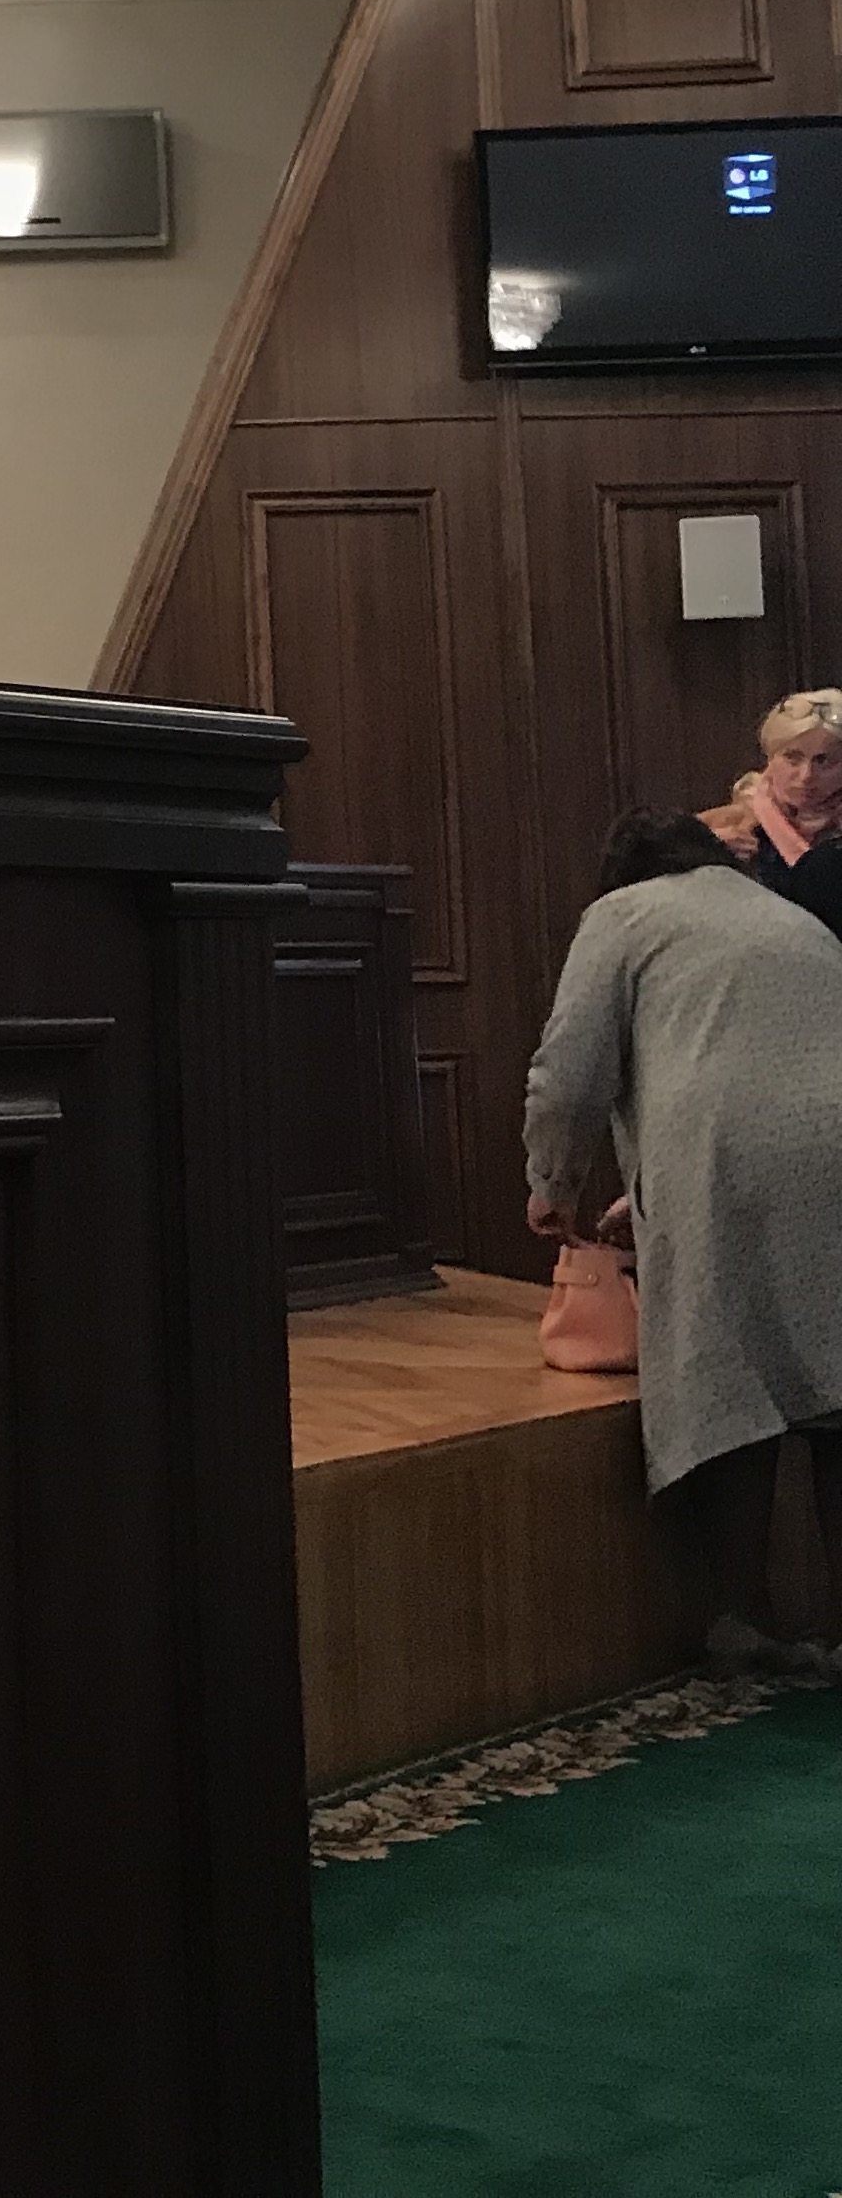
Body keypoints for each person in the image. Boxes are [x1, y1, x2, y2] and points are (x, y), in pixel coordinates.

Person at [523, 808, 842, 1669]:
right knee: (838, 1384)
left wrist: (552, 1184)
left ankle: (744, 1618)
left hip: (722, 1155)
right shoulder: (785, 915)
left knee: (729, 1375)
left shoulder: (621, 915)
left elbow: (568, 1075)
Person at [702, 687, 842, 947]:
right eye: (792, 757)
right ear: (770, 758)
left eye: (823, 761)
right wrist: (701, 855)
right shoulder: (723, 826)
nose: (806, 776)